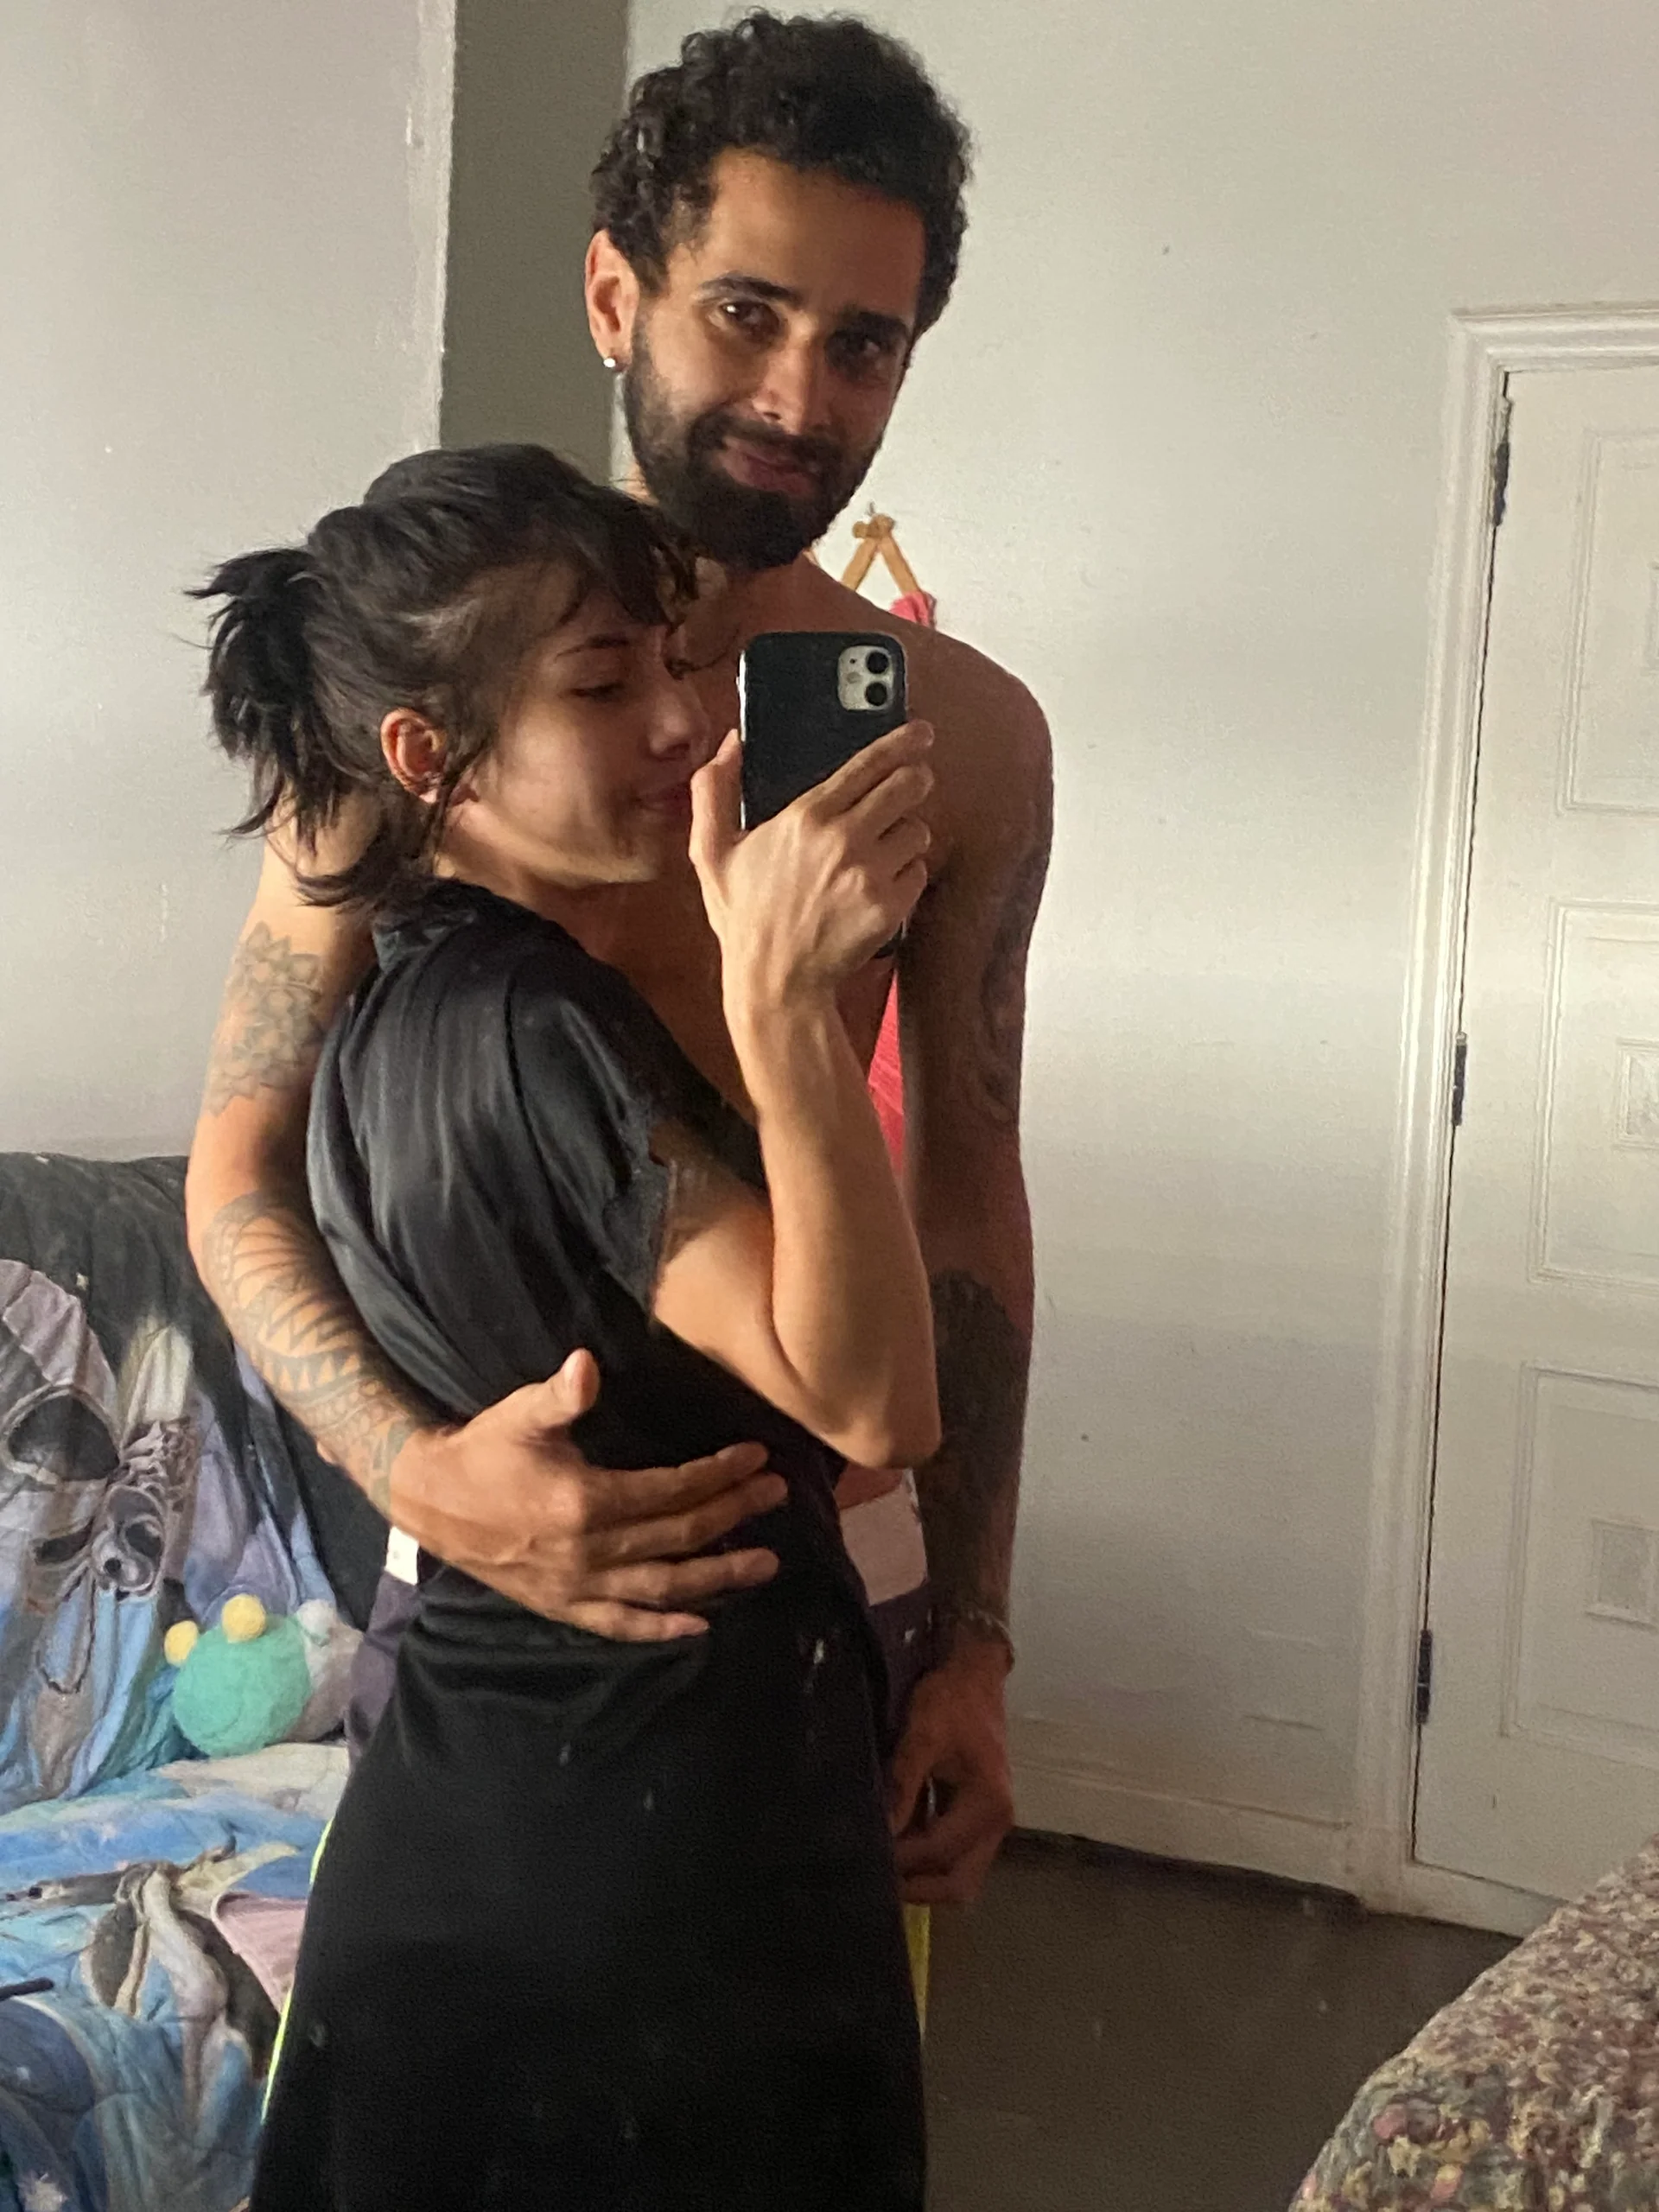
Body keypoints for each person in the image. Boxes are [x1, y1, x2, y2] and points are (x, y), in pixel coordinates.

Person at [185, 10, 1051, 1907]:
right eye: (746, 312)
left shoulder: (966, 741)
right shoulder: (437, 698)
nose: (801, 398)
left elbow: (967, 1193)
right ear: (614, 295)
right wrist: (413, 1470)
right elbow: (236, 1160)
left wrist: (978, 1637)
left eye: (864, 344)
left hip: (845, 1554)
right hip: (506, 1555)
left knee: (812, 2053)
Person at [218, 443, 938, 2207]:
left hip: (481, 1813)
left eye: (677, 663)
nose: (686, 722)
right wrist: (784, 1001)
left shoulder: (402, 993)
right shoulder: (541, 1024)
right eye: (605, 686)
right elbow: (871, 1396)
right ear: (427, 757)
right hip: (642, 1865)